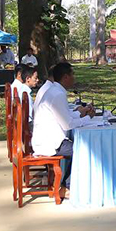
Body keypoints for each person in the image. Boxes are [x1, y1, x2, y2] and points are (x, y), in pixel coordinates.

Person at [31, 62, 94, 200]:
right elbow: (67, 124)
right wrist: (88, 118)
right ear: (65, 77)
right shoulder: (57, 94)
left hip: (49, 138)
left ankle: (66, 184)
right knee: (83, 150)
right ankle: (65, 186)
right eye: (72, 75)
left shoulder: (55, 91)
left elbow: (64, 115)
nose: (74, 78)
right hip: (50, 142)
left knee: (79, 147)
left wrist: (80, 113)